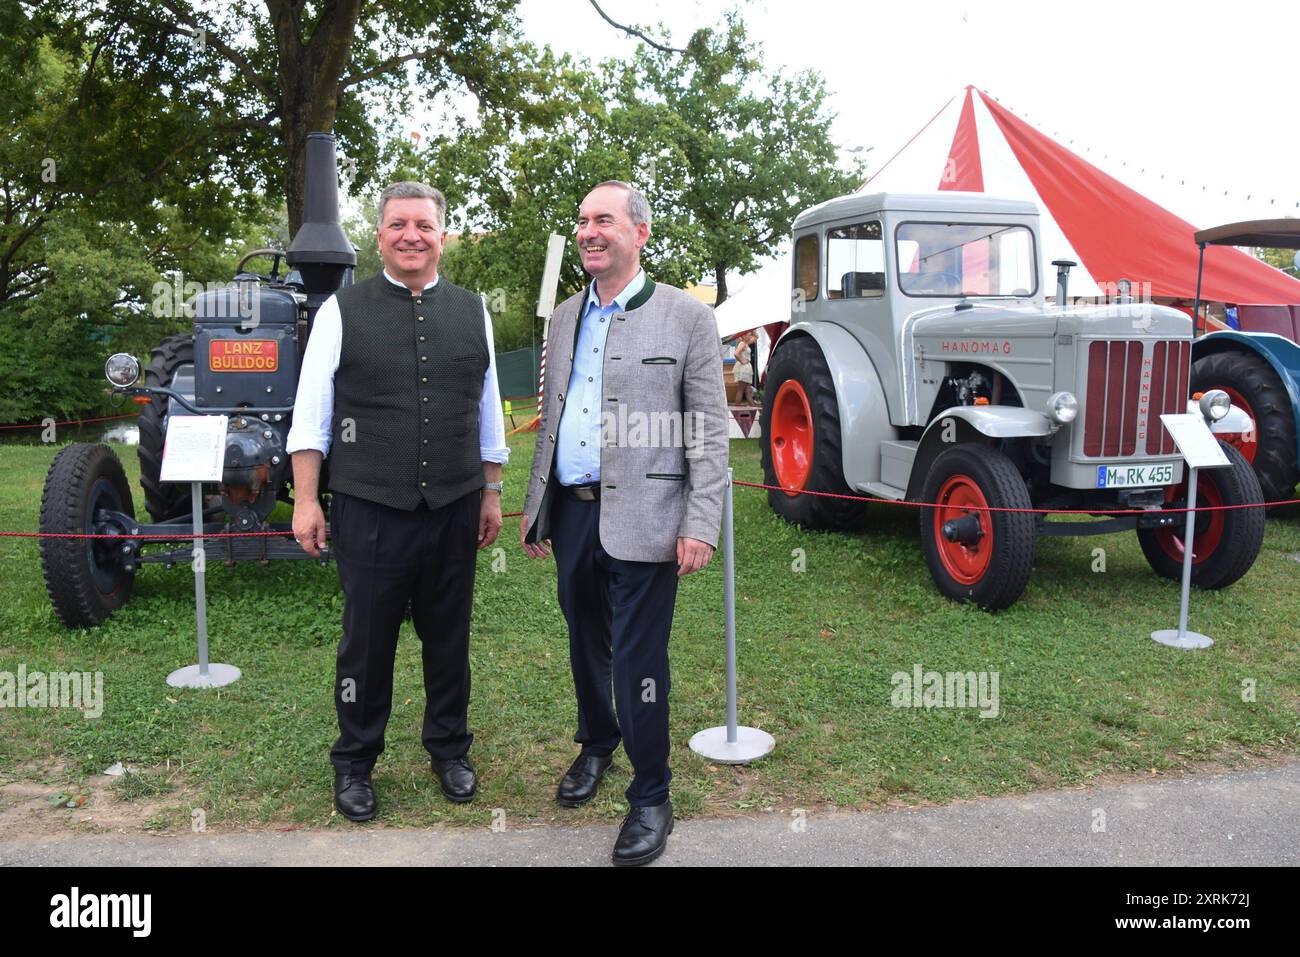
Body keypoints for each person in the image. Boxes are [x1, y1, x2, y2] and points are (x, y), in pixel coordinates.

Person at [519, 181, 728, 866]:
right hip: (574, 513)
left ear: (640, 232)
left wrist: (701, 518)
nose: (588, 231)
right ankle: (597, 743)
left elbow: (708, 429)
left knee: (640, 660)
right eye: (581, 220)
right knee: (585, 643)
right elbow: (552, 418)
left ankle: (651, 793)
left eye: (602, 219)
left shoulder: (686, 318)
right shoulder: (563, 317)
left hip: (650, 517)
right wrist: (537, 505)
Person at [287, 181, 508, 822]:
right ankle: (355, 762)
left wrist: (490, 490)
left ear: (442, 235)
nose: (412, 235)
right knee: (366, 642)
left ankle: (449, 749)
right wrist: (307, 500)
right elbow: (312, 417)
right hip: (369, 506)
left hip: (454, 504)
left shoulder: (473, 311)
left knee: (449, 639)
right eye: (398, 225)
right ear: (379, 235)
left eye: (424, 225)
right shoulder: (341, 311)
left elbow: (487, 408)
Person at [732, 332, 756, 405]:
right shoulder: (742, 343)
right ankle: (737, 408)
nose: (750, 336)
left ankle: (753, 407)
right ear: (743, 335)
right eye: (749, 335)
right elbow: (736, 353)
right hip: (743, 368)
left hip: (746, 368)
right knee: (741, 390)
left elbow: (755, 337)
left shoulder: (745, 343)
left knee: (748, 390)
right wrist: (742, 360)